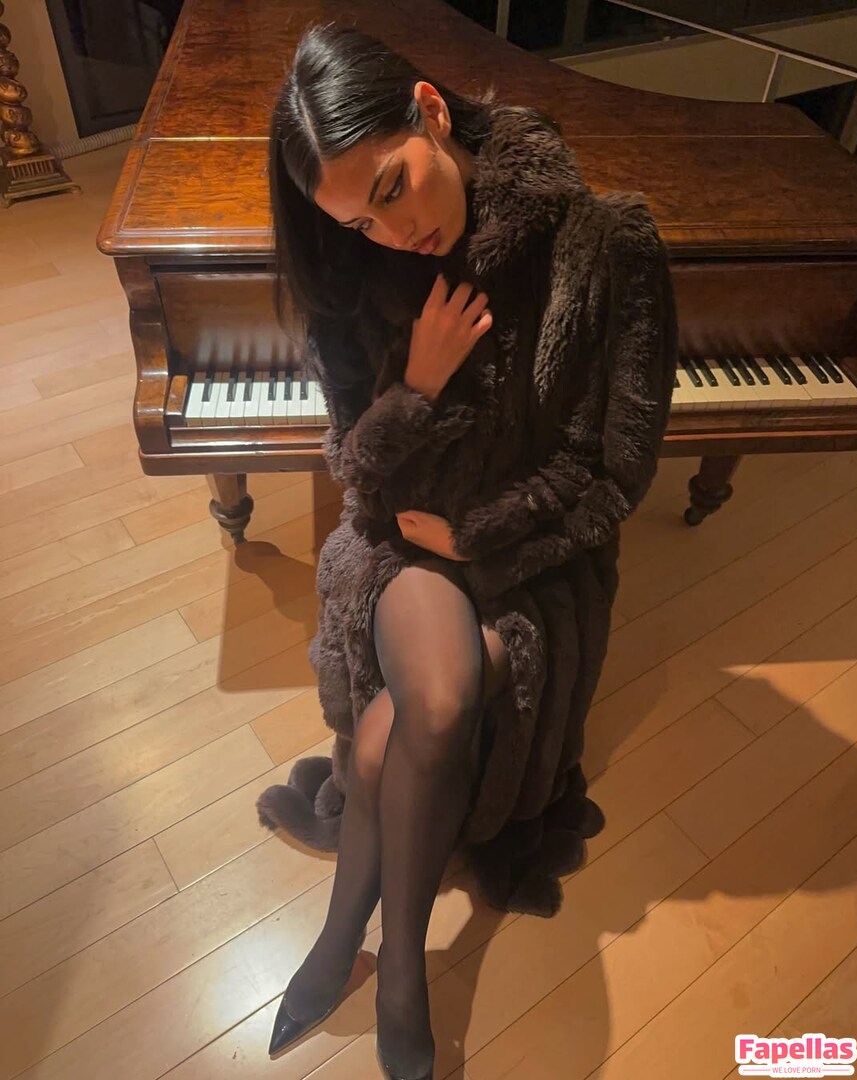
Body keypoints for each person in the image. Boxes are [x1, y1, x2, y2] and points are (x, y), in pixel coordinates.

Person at [257, 21, 678, 1080]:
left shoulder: (604, 244)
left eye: (392, 187)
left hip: (528, 549)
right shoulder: (354, 274)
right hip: (403, 546)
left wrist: (484, 534)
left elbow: (616, 470)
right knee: (437, 699)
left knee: (398, 728)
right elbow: (356, 469)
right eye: (361, 218)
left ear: (432, 112)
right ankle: (392, 967)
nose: (391, 231)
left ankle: (364, 952)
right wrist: (417, 389)